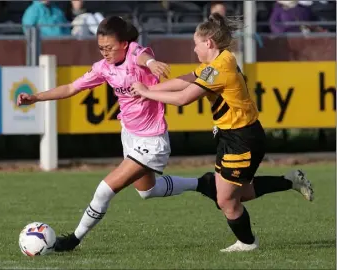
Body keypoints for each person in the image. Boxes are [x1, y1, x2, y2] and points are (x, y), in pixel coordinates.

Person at [16, 16, 214, 252]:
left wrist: (151, 64)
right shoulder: (103, 68)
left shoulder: (134, 54)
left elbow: (144, 56)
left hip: (151, 138)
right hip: (129, 134)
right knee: (147, 191)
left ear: (124, 44)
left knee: (104, 190)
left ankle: (73, 240)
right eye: (101, 48)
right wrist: (36, 97)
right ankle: (203, 183)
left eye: (109, 47)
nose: (105, 53)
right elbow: (70, 88)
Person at [131, 13, 314, 252]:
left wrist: (147, 93)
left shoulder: (218, 70)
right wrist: (150, 89)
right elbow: (187, 80)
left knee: (226, 199)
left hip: (242, 140)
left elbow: (183, 98)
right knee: (241, 192)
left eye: (196, 44)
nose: (194, 50)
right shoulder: (219, 61)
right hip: (232, 137)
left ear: (208, 43)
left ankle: (247, 244)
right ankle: (289, 180)